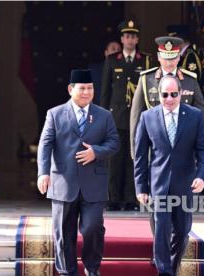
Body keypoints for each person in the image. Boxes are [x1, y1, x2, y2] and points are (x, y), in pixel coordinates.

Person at [37, 69, 119, 276]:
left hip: (94, 183)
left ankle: (92, 269)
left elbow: (114, 143)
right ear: (70, 89)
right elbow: (45, 145)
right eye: (82, 88)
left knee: (93, 228)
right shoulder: (54, 114)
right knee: (63, 233)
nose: (86, 92)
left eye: (90, 88)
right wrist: (43, 173)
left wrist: (96, 152)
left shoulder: (104, 115)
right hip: (63, 183)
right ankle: (67, 271)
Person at [134, 75, 204, 276]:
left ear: (181, 94)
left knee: (182, 230)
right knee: (161, 229)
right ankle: (164, 272)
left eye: (174, 94)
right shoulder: (147, 117)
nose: (169, 99)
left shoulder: (194, 116)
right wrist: (141, 187)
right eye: (165, 94)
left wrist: (201, 176)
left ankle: (172, 266)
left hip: (185, 184)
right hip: (158, 185)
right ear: (158, 94)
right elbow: (141, 157)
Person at [130, 36, 204, 159]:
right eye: (165, 58)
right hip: (155, 151)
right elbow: (136, 118)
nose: (169, 62)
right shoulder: (146, 79)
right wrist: (136, 152)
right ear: (158, 57)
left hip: (185, 151)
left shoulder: (190, 80)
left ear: (179, 57)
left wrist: (202, 149)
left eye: (172, 57)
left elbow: (203, 117)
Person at [101, 20, 150, 212]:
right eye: (126, 36)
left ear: (137, 39)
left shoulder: (144, 60)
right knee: (115, 160)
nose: (129, 39)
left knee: (134, 159)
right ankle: (114, 198)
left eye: (133, 36)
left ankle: (131, 198)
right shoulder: (112, 60)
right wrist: (102, 117)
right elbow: (105, 91)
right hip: (116, 117)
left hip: (137, 117)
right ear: (122, 39)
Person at [89, 41, 121, 105]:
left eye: (119, 50)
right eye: (113, 49)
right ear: (106, 53)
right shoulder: (94, 70)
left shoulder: (126, 70)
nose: (117, 52)